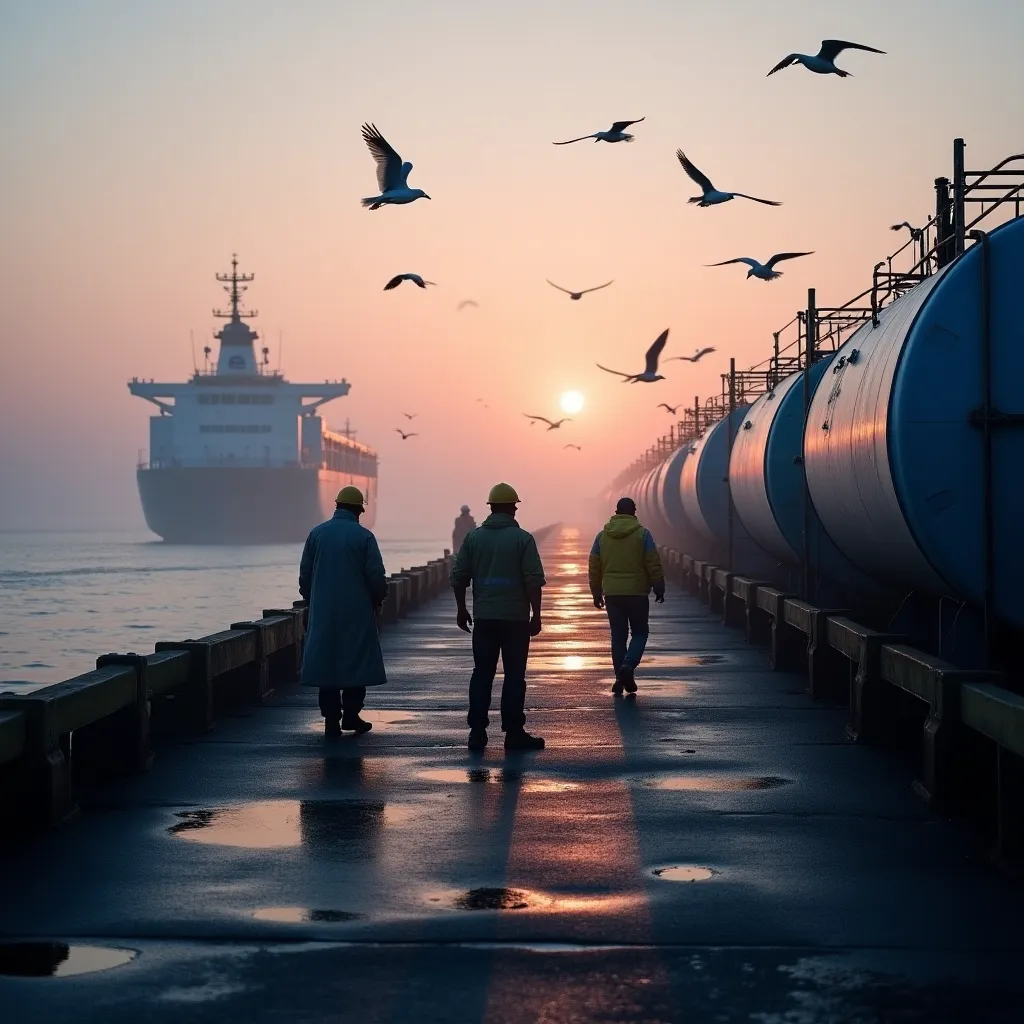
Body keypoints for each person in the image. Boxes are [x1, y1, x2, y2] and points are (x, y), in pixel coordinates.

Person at [450, 482, 546, 752]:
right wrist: (536, 614)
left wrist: (461, 608)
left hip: (485, 620)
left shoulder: (473, 538)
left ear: (491, 508)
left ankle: (477, 733)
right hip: (515, 621)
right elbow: (533, 581)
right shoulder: (523, 539)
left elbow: (458, 577)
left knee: (482, 675)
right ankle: (514, 733)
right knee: (515, 676)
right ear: (513, 509)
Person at [299, 485, 389, 737]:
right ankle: (351, 715)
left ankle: (330, 720)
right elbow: (375, 576)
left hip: (323, 611)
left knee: (327, 664)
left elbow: (305, 575)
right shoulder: (364, 537)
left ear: (337, 506)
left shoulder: (316, 534)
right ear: (359, 510)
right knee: (356, 662)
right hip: (357, 612)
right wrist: (378, 598)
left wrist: (311, 599)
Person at [588, 496, 665, 695]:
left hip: (613, 593)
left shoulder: (602, 536)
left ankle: (619, 680)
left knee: (618, 637)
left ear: (616, 512)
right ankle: (628, 667)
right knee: (640, 633)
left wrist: (596, 591)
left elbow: (594, 565)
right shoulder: (643, 535)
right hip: (637, 593)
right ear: (634, 511)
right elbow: (652, 562)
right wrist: (658, 585)